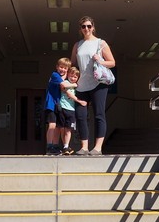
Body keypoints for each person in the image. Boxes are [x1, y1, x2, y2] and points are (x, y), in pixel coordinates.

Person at [70, 16, 116, 156]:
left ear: (93, 27)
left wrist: (100, 61)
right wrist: (71, 79)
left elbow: (112, 62)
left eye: (89, 26)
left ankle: (97, 148)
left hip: (98, 84)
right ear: (80, 29)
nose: (86, 29)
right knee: (80, 115)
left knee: (99, 115)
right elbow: (73, 64)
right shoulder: (77, 45)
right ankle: (84, 147)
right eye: (84, 26)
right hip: (81, 85)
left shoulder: (100, 43)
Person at [57, 66, 87, 155]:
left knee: (68, 128)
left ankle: (66, 146)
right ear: (68, 75)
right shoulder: (66, 82)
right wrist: (80, 101)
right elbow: (68, 93)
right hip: (63, 107)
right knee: (62, 128)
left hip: (71, 110)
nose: (73, 78)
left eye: (75, 77)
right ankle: (64, 146)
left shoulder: (77, 86)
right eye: (71, 76)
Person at [44, 57, 70, 155]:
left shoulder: (60, 77)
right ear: (57, 67)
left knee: (58, 126)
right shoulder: (54, 75)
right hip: (51, 103)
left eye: (65, 68)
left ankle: (55, 146)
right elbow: (64, 84)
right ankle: (49, 146)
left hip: (58, 104)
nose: (62, 69)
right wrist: (76, 85)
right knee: (52, 125)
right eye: (61, 67)